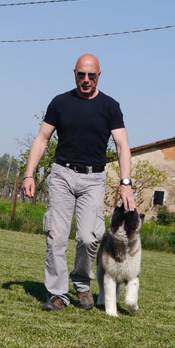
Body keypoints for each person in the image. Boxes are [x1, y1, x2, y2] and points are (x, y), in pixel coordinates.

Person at [22, 53, 136, 311]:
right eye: (81, 75)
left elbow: (122, 145)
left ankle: (82, 284)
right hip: (62, 174)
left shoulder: (110, 107)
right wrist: (29, 173)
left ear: (99, 76)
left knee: (88, 237)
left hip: (94, 179)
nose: (86, 80)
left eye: (91, 75)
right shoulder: (60, 103)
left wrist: (125, 181)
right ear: (74, 73)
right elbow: (42, 139)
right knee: (56, 236)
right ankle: (57, 294)